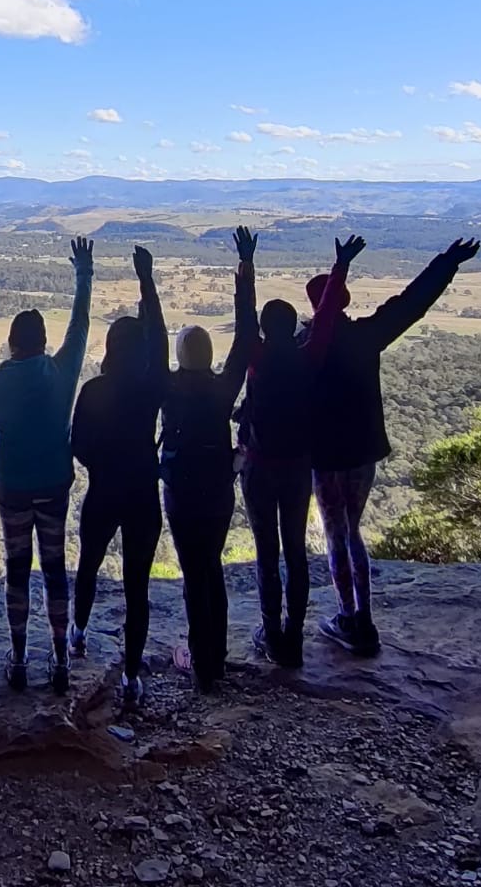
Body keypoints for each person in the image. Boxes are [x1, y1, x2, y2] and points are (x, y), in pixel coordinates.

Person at [310, 236, 481, 656]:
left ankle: (349, 616)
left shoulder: (305, 348)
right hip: (363, 451)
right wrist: (447, 262)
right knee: (353, 531)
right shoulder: (367, 336)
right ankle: (363, 619)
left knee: (336, 534)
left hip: (326, 456)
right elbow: (411, 303)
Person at [0, 235, 95, 693]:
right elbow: (80, 325)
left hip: (13, 488)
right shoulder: (62, 372)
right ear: (43, 343)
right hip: (55, 485)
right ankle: (60, 660)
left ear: (10, 344)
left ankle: (19, 659)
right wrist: (84, 273)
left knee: (17, 565)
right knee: (55, 567)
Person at [235, 231, 362, 669]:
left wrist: (246, 262)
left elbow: (243, 314)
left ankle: (272, 633)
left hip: (257, 466)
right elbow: (326, 317)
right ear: (293, 327)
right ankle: (293, 635)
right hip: (296, 469)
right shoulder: (308, 356)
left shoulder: (256, 357)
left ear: (265, 330)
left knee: (266, 553)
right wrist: (340, 265)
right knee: (294, 551)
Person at [156, 225, 262, 691]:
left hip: (180, 493)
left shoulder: (169, 389)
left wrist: (146, 281)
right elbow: (245, 336)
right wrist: (245, 271)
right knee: (211, 569)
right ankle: (211, 658)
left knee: (193, 570)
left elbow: (152, 341)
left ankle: (201, 663)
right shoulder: (223, 391)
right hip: (219, 492)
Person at [68, 245, 170, 705]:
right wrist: (146, 281)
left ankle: (78, 634)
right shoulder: (151, 388)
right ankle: (131, 676)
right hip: (143, 495)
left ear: (109, 349)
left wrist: (98, 465)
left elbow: (77, 447)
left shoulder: (94, 390)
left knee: (88, 565)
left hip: (103, 490)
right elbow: (162, 339)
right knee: (137, 587)